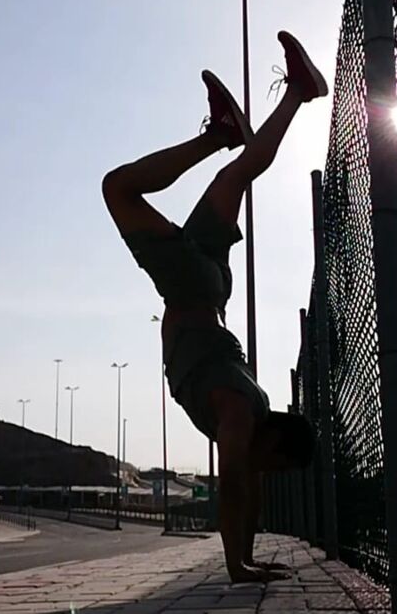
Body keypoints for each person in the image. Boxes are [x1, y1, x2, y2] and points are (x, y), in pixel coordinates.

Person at [102, 30, 328, 582]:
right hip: (189, 290)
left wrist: (249, 556)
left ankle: (297, 93)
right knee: (118, 189)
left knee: (237, 174)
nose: (268, 473)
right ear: (273, 442)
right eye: (277, 464)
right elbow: (232, 488)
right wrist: (237, 568)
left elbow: (248, 490)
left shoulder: (254, 407)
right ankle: (220, 134)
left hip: (211, 288)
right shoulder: (237, 414)